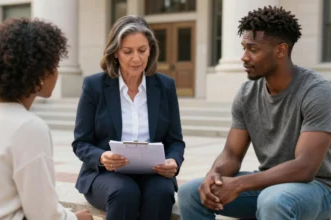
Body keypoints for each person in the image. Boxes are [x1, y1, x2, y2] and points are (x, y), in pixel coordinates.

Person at [178, 6, 331, 220]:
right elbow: (231, 154)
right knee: (190, 193)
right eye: (243, 48)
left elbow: (304, 167)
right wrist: (215, 174)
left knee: (274, 200)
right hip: (268, 183)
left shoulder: (317, 92)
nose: (243, 57)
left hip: (318, 188)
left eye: (253, 49)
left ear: (280, 50)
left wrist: (239, 184)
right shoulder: (247, 93)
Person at [72, 15, 185, 220]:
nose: (136, 58)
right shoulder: (94, 86)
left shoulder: (165, 86)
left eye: (142, 50)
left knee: (161, 193)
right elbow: (81, 142)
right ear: (115, 52)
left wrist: (173, 161)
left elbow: (175, 140)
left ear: (150, 50)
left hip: (153, 172)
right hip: (106, 174)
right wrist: (101, 157)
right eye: (128, 51)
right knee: (125, 193)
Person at [0, 18, 93, 220]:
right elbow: (44, 215)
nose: (57, 72)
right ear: (40, 73)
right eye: (54, 65)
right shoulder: (28, 128)